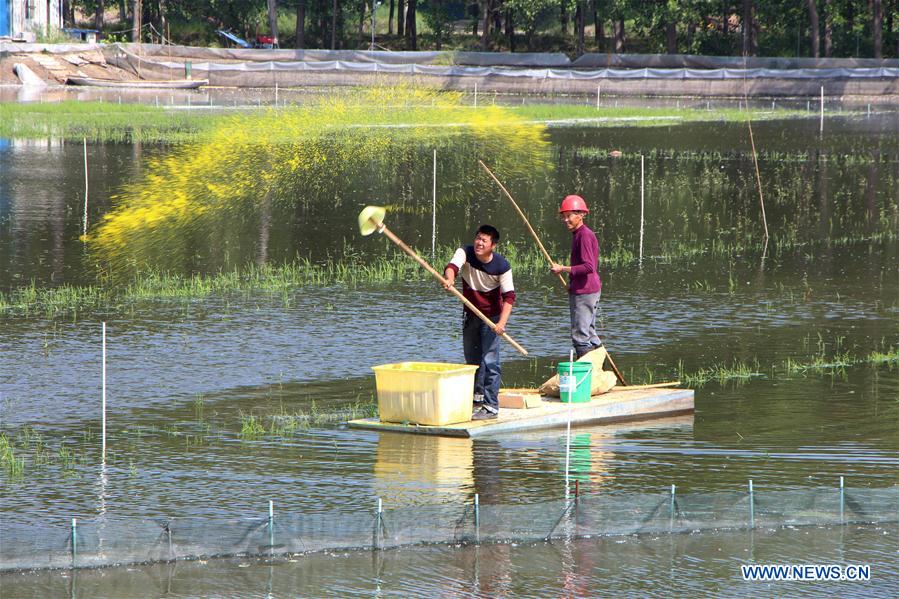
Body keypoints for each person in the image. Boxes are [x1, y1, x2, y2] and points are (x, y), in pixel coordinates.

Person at [444, 225, 515, 421]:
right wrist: (450, 279)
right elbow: (452, 267)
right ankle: (477, 399)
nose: (479, 243)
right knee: (472, 360)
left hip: (491, 318)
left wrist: (501, 324)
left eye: (484, 240)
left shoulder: (502, 266)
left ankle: (491, 406)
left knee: (490, 361)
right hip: (470, 315)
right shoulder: (465, 252)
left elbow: (509, 297)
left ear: (493, 245)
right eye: (478, 238)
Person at [550, 194, 603, 358]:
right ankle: (601, 368)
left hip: (585, 291)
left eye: (569, 216)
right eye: (564, 216)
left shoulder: (584, 235)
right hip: (584, 289)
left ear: (581, 215)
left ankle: (589, 371)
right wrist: (572, 283)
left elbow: (589, 267)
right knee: (590, 333)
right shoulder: (578, 234)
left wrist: (562, 268)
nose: (566, 220)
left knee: (580, 336)